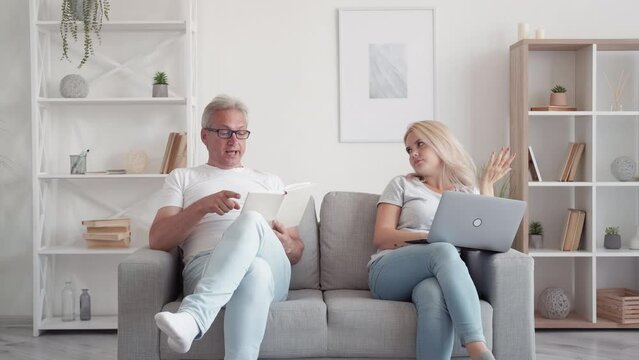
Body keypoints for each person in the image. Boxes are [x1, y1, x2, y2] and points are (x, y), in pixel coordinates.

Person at [149, 95, 305, 359]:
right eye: (224, 132)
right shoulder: (183, 178)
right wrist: (202, 207)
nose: (234, 141)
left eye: (241, 132)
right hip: (206, 266)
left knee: (253, 220)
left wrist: (288, 244)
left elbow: (298, 251)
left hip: (275, 272)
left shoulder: (269, 181)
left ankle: (194, 317)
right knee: (256, 270)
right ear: (204, 136)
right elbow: (158, 239)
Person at [368, 120, 515, 360]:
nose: (413, 153)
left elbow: (484, 237)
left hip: (435, 276)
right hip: (389, 271)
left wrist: (486, 184)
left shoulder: (465, 192)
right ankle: (477, 349)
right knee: (444, 249)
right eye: (408, 149)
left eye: (420, 144)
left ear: (441, 145)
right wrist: (431, 238)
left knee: (433, 294)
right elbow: (382, 236)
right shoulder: (402, 185)